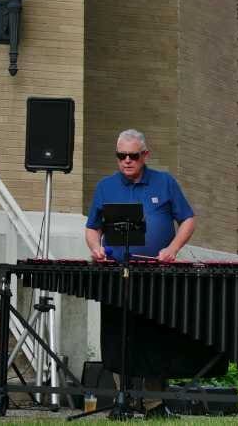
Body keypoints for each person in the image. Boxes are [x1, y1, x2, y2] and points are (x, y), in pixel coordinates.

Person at [84, 129, 203, 419]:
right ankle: (122, 401)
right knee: (117, 336)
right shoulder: (105, 186)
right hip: (116, 273)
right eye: (121, 156)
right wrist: (95, 247)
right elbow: (92, 227)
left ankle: (153, 404)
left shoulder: (164, 182)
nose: (126, 161)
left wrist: (173, 248)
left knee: (152, 337)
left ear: (145, 155)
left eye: (132, 156)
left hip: (154, 275)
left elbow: (188, 219)